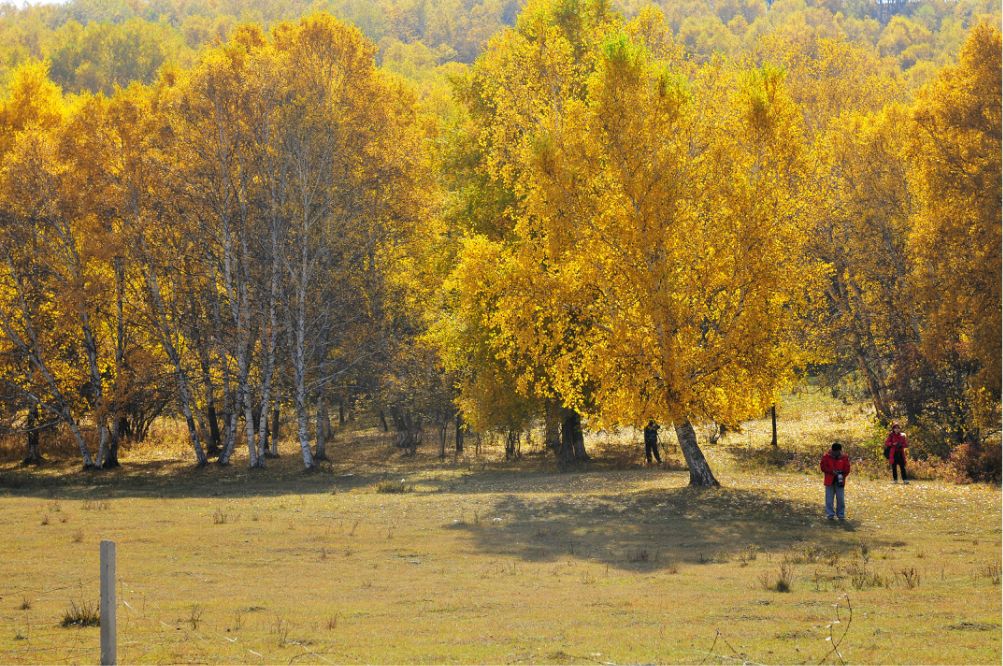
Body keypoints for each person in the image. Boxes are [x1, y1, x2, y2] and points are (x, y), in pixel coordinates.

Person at [820, 442, 850, 521]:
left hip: (840, 481)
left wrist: (841, 475)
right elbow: (823, 467)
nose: (836, 453)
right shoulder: (826, 456)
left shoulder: (844, 457)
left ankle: (841, 514)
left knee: (840, 499)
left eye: (837, 452)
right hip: (829, 480)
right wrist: (832, 471)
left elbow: (847, 469)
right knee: (829, 499)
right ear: (832, 450)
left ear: (840, 450)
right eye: (834, 451)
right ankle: (830, 514)